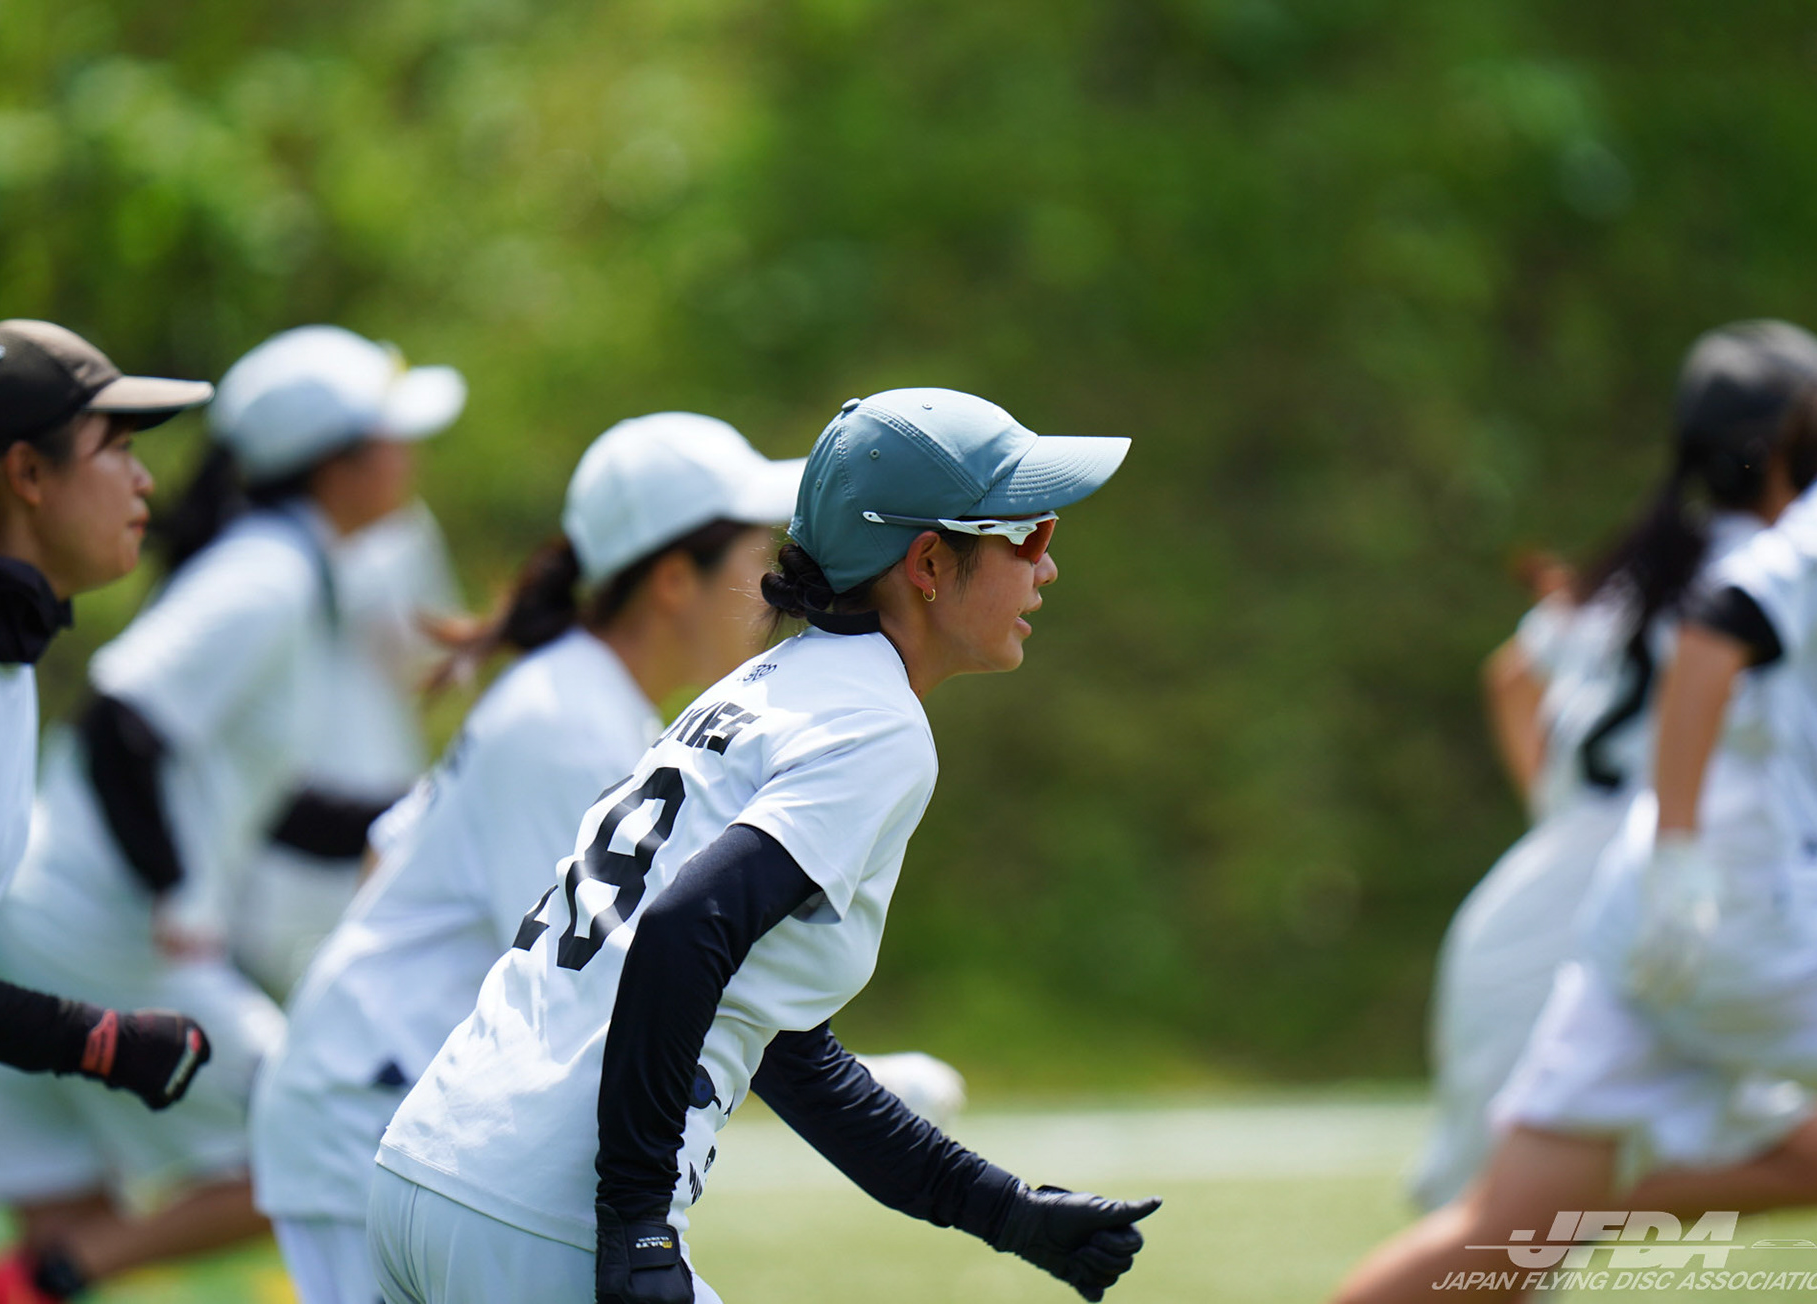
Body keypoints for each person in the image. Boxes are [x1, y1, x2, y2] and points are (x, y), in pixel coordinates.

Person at [366, 389, 1157, 1304]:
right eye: (1026, 533)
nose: (1046, 566)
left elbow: (787, 1048)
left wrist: (1006, 1213)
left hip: (424, 1168)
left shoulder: (761, 689)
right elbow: (682, 932)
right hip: (538, 1216)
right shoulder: (874, 726)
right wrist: (637, 1222)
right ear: (930, 563)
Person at [1335, 331, 1817, 1304]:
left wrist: (1563, 813)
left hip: (1566, 897)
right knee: (1500, 1264)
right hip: (1662, 906)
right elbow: (1723, 659)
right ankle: (1563, 1215)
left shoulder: (1636, 568)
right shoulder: (1785, 560)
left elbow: (1512, 675)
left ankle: (1567, 1212)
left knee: (1508, 1246)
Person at [0, 325, 462, 1304]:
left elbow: (273, 803)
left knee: (59, 1211)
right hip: (100, 922)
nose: (411, 457)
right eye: (390, 436)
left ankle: (46, 1270)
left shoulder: (292, 571)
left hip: (40, 912)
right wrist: (176, 897)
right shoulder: (268, 573)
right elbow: (123, 719)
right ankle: (58, 1269)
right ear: (334, 461)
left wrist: (436, 812)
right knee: (338, 1128)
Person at [250, 410, 804, 1304]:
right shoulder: (569, 723)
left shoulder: (573, 697)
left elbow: (384, 857)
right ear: (673, 579)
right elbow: (600, 991)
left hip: (375, 1098)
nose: (773, 589)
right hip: (369, 1109)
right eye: (753, 556)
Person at [230, 497, 462, 1002]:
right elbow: (440, 660)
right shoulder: (399, 530)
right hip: (312, 771)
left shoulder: (255, 526)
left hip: (360, 765)